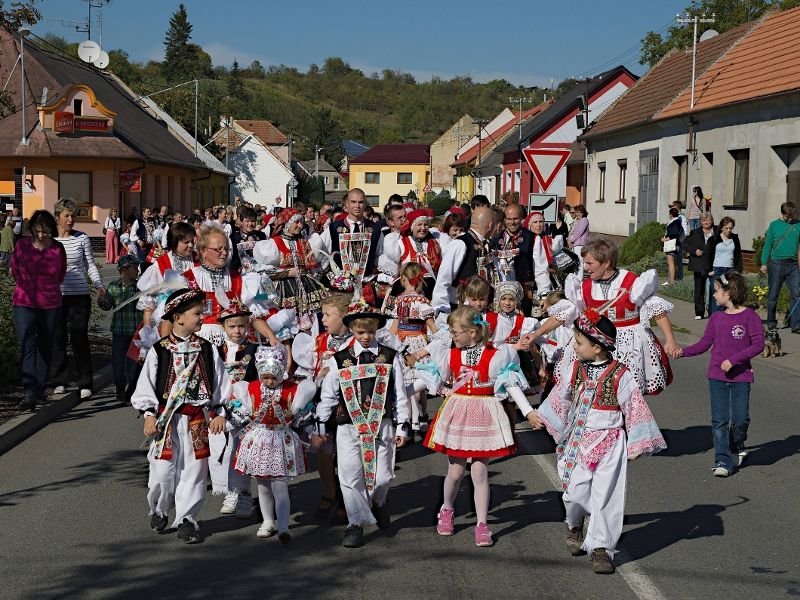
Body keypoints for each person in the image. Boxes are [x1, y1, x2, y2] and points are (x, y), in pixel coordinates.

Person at [530, 309, 666, 574]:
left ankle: (602, 548)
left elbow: (634, 407)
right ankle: (574, 523)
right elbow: (561, 397)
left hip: (611, 441)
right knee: (575, 493)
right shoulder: (575, 369)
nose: (575, 347)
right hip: (578, 441)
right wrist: (543, 417)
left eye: (579, 342)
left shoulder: (620, 374)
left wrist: (637, 443)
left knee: (607, 496)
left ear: (597, 347)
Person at [421, 306, 536, 547]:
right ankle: (447, 508)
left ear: (472, 332)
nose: (452, 336)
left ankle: (482, 524)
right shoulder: (451, 354)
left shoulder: (497, 354)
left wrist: (528, 411)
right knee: (455, 472)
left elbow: (510, 383)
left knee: (480, 472)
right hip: (458, 413)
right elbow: (431, 379)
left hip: (485, 413)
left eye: (455, 332)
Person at [131, 288, 231, 544]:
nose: (202, 317)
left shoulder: (207, 349)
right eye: (197, 313)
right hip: (166, 421)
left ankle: (187, 519)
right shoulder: (160, 350)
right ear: (178, 318)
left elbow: (220, 383)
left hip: (196, 420)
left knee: (194, 471)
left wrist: (219, 412)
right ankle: (159, 508)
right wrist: (149, 414)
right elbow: (146, 385)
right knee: (162, 472)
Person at [312, 300, 410, 548]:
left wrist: (403, 426)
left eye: (370, 332)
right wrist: (320, 428)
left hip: (382, 424)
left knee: (383, 476)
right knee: (350, 474)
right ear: (352, 330)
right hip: (349, 426)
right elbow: (329, 396)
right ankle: (354, 523)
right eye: (360, 332)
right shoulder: (339, 359)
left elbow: (399, 394)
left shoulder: (389, 356)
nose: (366, 337)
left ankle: (378, 502)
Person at [526, 239, 678, 396]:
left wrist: (670, 340)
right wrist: (536, 334)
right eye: (585, 263)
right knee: (594, 391)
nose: (585, 267)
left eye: (589, 263)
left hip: (628, 346)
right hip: (596, 346)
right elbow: (562, 315)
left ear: (606, 263)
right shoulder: (584, 287)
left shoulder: (632, 282)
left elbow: (657, 312)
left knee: (626, 392)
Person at [676, 272, 764, 477]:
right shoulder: (716, 318)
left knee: (741, 419)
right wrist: (682, 352)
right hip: (716, 376)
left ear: (729, 293)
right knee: (720, 420)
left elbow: (759, 344)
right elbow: (704, 344)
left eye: (716, 291)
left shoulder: (750, 316)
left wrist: (733, 360)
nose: (714, 295)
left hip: (741, 376)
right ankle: (722, 460)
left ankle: (737, 444)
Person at [231, 345, 315, 542]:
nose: (269, 381)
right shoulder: (249, 388)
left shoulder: (293, 390)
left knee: (280, 485)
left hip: (281, 441)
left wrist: (308, 429)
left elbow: (302, 417)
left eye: (274, 377)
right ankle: (268, 521)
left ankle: (283, 525)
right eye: (265, 377)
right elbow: (240, 413)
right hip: (259, 440)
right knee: (263, 485)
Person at [292, 293, 353, 525]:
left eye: (328, 315)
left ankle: (348, 498)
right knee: (324, 451)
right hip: (322, 403)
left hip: (347, 404)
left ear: (344, 316)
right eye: (323, 314)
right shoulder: (319, 340)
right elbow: (311, 368)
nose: (323, 319)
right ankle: (330, 492)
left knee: (346, 455)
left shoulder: (355, 342)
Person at [179, 225, 281, 347]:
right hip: (198, 343)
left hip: (233, 343)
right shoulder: (187, 279)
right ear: (203, 251)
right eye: (218, 249)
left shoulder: (238, 279)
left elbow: (253, 315)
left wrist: (271, 336)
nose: (224, 253)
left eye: (226, 249)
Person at [11, 210, 67, 410]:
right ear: (32, 228)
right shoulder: (22, 246)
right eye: (38, 231)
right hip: (24, 302)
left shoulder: (57, 249)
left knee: (45, 346)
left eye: (46, 231)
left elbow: (61, 274)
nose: (42, 235)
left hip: (50, 304)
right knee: (27, 344)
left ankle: (41, 389)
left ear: (52, 230)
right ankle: (29, 392)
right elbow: (15, 270)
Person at [51, 198, 107, 399]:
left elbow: (90, 264)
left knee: (79, 337)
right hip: (56, 296)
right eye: (66, 215)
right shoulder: (50, 240)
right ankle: (59, 380)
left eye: (73, 215)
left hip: (79, 295)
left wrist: (99, 285)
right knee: (58, 338)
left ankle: (85, 382)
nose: (70, 219)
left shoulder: (81, 238)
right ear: (57, 217)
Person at [210, 301, 260, 519]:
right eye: (232, 326)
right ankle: (229, 491)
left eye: (241, 326)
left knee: (241, 451)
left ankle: (243, 493)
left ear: (248, 326)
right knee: (220, 450)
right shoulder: (214, 351)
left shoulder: (254, 350)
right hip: (219, 407)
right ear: (223, 327)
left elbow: (258, 379)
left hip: (244, 409)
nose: (237, 331)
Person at [386, 262, 438, 435]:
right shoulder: (419, 301)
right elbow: (432, 328)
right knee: (416, 388)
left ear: (403, 279)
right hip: (415, 343)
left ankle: (411, 422)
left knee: (407, 387)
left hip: (407, 345)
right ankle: (418, 419)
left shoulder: (402, 301)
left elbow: (393, 329)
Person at [253, 207, 328, 326]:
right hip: (283, 288)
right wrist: (288, 272)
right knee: (287, 321)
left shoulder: (305, 242)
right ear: (287, 223)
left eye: (301, 222)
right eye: (296, 222)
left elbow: (314, 266)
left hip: (306, 286)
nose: (300, 226)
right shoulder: (274, 244)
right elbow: (263, 273)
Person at [433, 206, 497, 314]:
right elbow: (444, 278)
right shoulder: (461, 243)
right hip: (461, 309)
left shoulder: (487, 244)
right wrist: (441, 309)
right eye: (496, 224)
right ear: (490, 225)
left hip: (482, 308)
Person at [97, 255, 142, 403]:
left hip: (135, 333)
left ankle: (131, 391)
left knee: (133, 366)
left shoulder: (140, 287)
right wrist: (101, 299)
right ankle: (120, 388)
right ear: (125, 269)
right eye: (134, 267)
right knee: (117, 364)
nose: (137, 270)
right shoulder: (113, 286)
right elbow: (107, 306)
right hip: (119, 331)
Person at [760, 202, 800, 333]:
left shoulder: (798, 224)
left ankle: (796, 325)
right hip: (777, 263)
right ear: (783, 213)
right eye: (788, 216)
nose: (790, 218)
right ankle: (771, 322)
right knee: (773, 294)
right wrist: (764, 263)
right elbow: (768, 245)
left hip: (793, 265)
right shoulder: (774, 225)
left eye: (792, 215)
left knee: (796, 294)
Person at [493, 204, 535, 302]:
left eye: (515, 219)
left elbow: (539, 266)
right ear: (504, 220)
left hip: (524, 290)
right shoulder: (496, 238)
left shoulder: (531, 237)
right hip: (501, 290)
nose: (512, 222)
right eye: (509, 219)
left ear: (521, 219)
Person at [684, 213, 717, 319]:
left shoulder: (717, 231)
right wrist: (694, 251)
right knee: (699, 289)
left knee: (714, 288)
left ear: (712, 220)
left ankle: (713, 311)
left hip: (713, 263)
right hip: (699, 264)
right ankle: (699, 312)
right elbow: (685, 244)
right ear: (700, 222)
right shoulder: (695, 232)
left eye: (708, 220)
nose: (706, 222)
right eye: (703, 220)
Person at [706, 217, 743, 314]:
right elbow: (708, 255)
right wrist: (709, 270)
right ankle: (715, 317)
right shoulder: (714, 239)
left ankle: (725, 316)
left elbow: (738, 255)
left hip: (729, 270)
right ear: (722, 228)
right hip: (717, 270)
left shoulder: (734, 239)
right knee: (717, 294)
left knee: (728, 294)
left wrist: (738, 270)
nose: (729, 230)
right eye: (726, 228)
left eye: (731, 228)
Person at [525, 212, 564, 295]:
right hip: (537, 279)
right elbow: (540, 265)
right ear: (529, 225)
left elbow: (555, 249)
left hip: (546, 276)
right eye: (535, 222)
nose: (538, 225)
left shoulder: (545, 238)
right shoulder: (532, 239)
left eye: (541, 222)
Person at [662, 206, 684, 286]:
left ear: (671, 214)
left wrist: (666, 238)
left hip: (672, 244)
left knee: (671, 263)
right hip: (674, 244)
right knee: (673, 263)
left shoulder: (675, 222)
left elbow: (674, 233)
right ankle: (672, 280)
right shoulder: (676, 221)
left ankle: (672, 282)